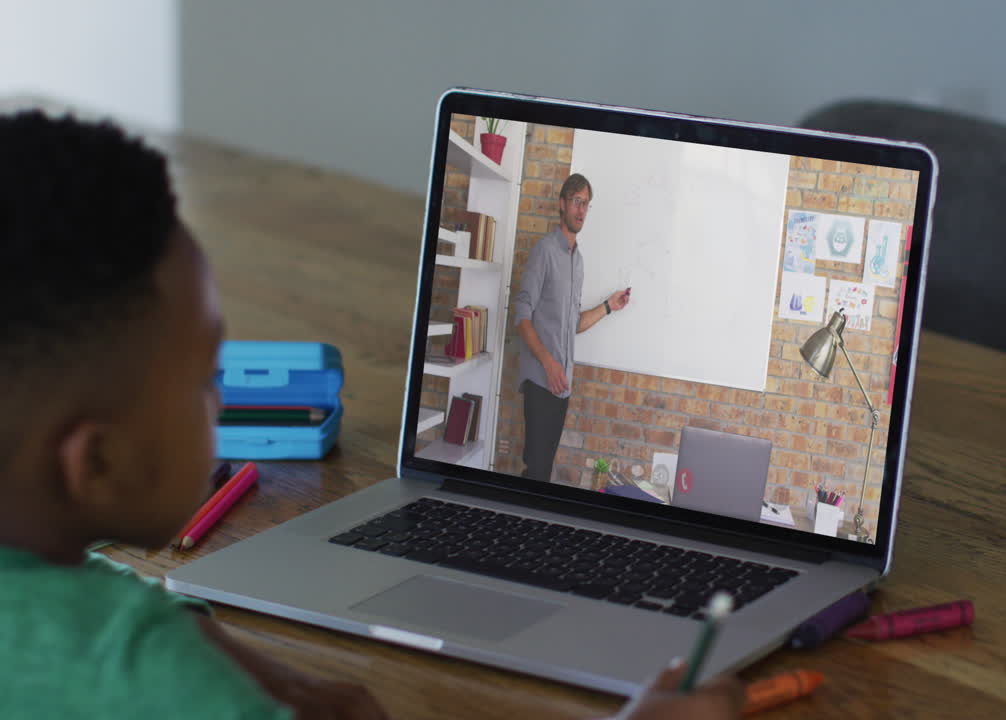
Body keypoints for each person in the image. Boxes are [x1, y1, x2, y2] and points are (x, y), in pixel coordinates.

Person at [0, 111, 741, 720]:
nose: (221, 400)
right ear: (96, 461)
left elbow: (80, 593)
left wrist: (203, 639)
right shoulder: (151, 677)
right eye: (203, 379)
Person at [514, 173, 630, 481]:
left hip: (561, 386)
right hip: (542, 379)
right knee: (536, 470)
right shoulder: (544, 251)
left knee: (544, 470)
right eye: (577, 202)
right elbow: (521, 316)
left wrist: (608, 306)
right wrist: (549, 363)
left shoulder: (577, 262)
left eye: (586, 204)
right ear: (562, 204)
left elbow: (572, 324)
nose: (581, 210)